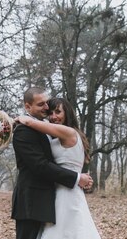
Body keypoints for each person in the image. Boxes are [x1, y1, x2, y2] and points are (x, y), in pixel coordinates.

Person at [11, 87, 94, 239]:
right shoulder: (24, 131)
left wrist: (24, 119)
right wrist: (77, 178)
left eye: (57, 111)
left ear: (67, 113)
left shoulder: (64, 132)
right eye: (42, 105)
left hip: (60, 195)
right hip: (32, 199)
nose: (49, 111)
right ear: (28, 106)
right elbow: (40, 165)